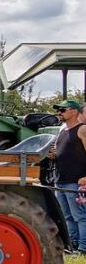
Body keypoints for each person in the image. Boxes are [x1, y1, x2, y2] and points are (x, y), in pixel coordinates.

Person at [52, 99, 86, 254]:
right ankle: (72, 245)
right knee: (67, 216)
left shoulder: (82, 129)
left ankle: (83, 247)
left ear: (74, 111)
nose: (60, 112)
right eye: (59, 110)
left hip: (75, 181)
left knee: (80, 216)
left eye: (63, 110)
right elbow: (60, 152)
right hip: (60, 180)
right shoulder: (62, 130)